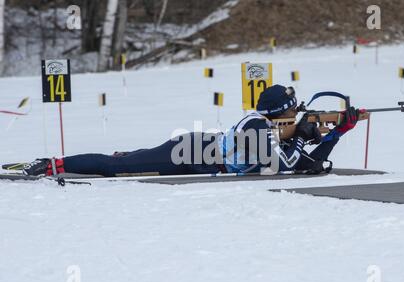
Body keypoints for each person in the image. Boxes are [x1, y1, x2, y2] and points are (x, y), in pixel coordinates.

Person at [22, 85, 359, 177]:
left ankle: (130, 155)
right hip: (189, 154)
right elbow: (287, 164)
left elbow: (305, 166)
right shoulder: (255, 125)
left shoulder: (272, 128)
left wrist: (335, 133)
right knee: (116, 169)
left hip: (205, 152)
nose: (296, 114)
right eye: (292, 110)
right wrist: (302, 135)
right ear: (278, 112)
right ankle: (53, 164)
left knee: (131, 159)